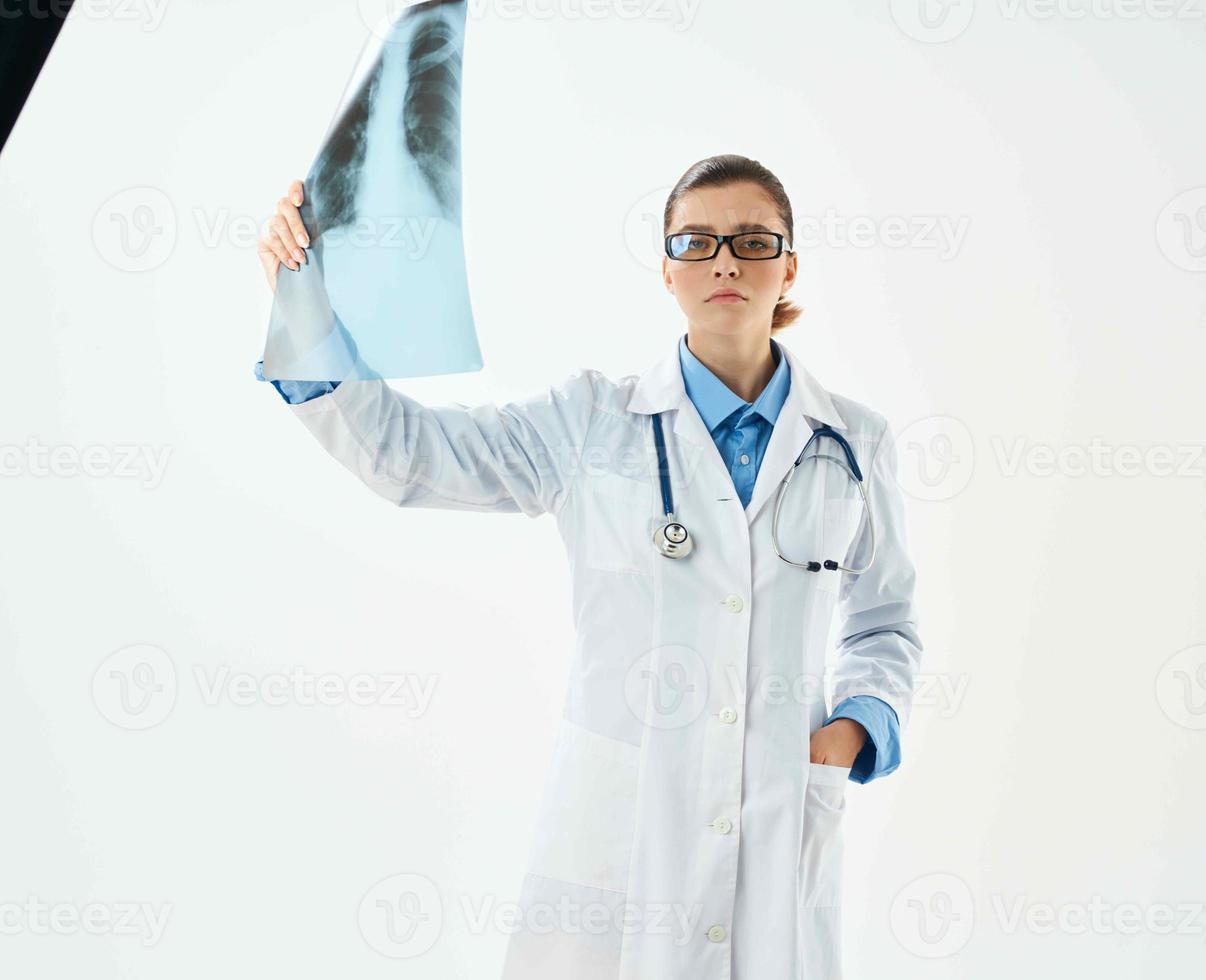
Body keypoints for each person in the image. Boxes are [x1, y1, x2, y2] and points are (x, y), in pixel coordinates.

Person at [252, 153, 923, 980]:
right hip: (619, 833)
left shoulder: (855, 440)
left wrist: (856, 729)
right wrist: (302, 300)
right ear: (666, 272)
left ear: (788, 265)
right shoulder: (589, 423)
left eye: (752, 240)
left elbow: (885, 616)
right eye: (696, 241)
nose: (723, 260)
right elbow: (408, 456)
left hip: (783, 820)